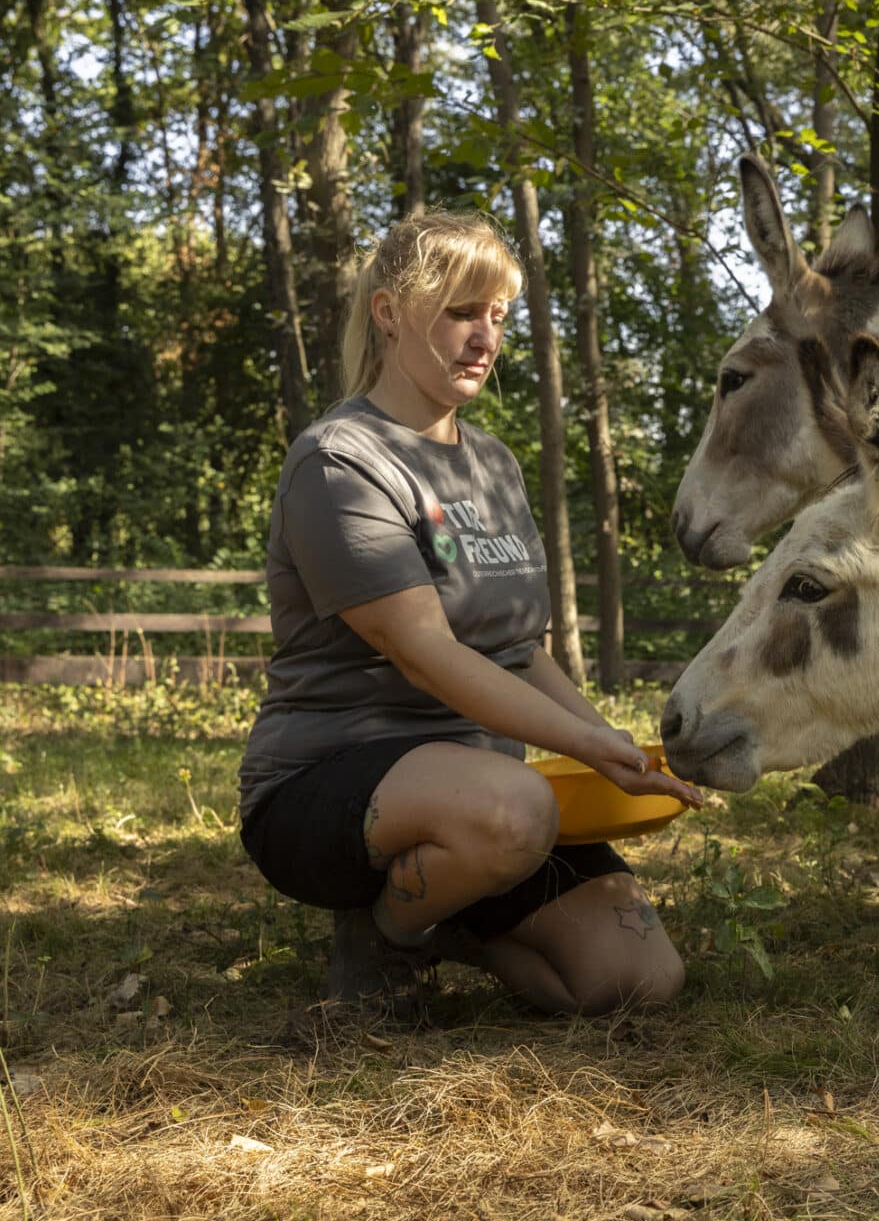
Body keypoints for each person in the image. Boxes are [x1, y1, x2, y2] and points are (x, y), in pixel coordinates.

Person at [237, 210, 701, 1018]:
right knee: (521, 806)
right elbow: (424, 651)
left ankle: (447, 908)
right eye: (460, 312)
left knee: (633, 982)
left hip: (480, 798)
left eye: (496, 316)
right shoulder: (339, 462)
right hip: (330, 782)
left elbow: (523, 650)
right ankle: (384, 935)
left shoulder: (493, 465)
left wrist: (612, 752)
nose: (484, 337)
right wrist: (584, 747)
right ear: (388, 313)